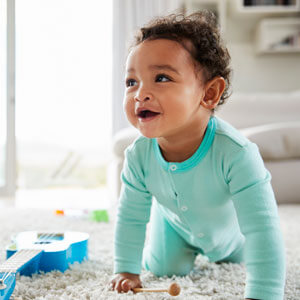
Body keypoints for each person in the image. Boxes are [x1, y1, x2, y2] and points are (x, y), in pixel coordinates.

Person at [110, 11, 285, 300]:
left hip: (232, 235)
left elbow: (262, 228)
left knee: (237, 257)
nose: (140, 93)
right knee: (165, 268)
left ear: (210, 93)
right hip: (173, 227)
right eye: (131, 82)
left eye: (162, 77)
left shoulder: (237, 154)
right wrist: (127, 269)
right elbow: (130, 217)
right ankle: (173, 247)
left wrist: (264, 292)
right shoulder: (138, 155)